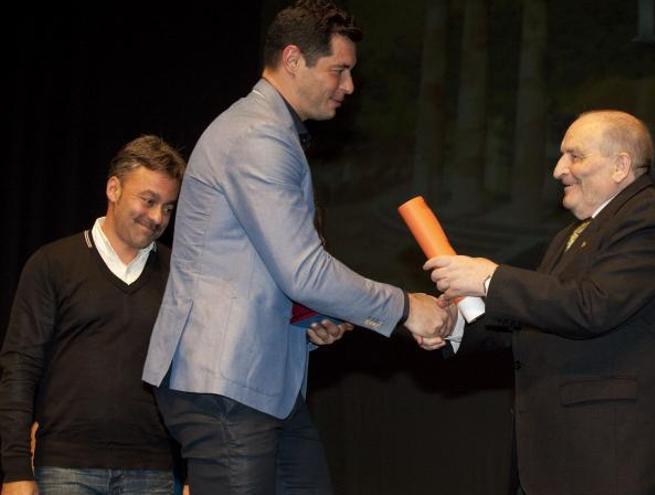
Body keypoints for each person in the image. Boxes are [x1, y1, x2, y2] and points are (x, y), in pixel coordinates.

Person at [141, 1, 453, 493]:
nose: (349, 86)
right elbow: (302, 271)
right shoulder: (257, 136)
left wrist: (309, 321)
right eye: (339, 70)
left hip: (262, 385)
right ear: (292, 59)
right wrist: (405, 307)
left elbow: (253, 265)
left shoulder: (271, 133)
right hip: (225, 382)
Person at [425, 110, 655, 494]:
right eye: (561, 156)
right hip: (559, 458)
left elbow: (592, 307)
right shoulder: (571, 236)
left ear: (621, 165)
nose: (558, 170)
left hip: (612, 458)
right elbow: (537, 323)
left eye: (575, 156)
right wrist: (450, 326)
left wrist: (489, 278)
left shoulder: (650, 217)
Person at [0, 135, 188, 495]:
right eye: (148, 201)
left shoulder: (179, 273)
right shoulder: (53, 264)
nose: (157, 217)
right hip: (64, 468)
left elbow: (193, 376)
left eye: (168, 207)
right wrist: (16, 470)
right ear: (114, 188)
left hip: (153, 471)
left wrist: (194, 471)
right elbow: (20, 368)